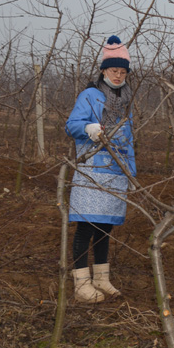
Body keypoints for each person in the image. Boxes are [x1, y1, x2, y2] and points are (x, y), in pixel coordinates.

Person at [65, 35, 135, 303]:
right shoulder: (90, 95)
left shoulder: (126, 99)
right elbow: (71, 125)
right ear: (104, 70)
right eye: (113, 70)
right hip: (92, 172)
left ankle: (101, 278)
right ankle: (81, 283)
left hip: (116, 172)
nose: (118, 75)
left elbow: (129, 139)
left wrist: (130, 172)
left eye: (122, 72)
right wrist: (88, 128)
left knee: (105, 227)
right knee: (86, 226)